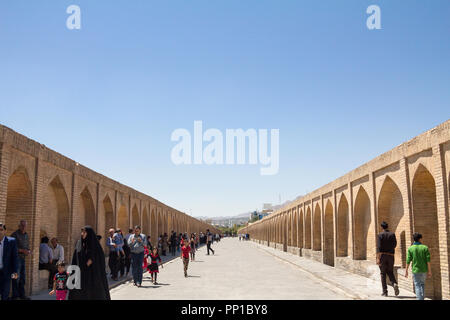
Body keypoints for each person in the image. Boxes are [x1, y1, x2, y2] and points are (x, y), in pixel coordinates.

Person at [68, 225, 110, 300]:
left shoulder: (95, 246)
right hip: (81, 274)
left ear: (89, 233)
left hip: (93, 275)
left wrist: (93, 260)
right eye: (82, 232)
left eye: (84, 232)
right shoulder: (79, 244)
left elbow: (100, 259)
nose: (82, 234)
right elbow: (75, 258)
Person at [405, 232, 432, 300]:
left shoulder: (411, 248)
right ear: (420, 239)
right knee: (422, 284)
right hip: (424, 270)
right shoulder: (425, 248)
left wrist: (406, 271)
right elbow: (428, 260)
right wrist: (429, 271)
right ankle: (421, 298)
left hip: (415, 270)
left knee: (417, 285)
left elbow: (408, 260)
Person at [376, 221, 399, 297]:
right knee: (390, 271)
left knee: (383, 274)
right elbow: (395, 244)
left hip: (382, 256)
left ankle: (385, 292)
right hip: (391, 256)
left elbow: (379, 247)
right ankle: (394, 283)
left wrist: (378, 258)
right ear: (387, 226)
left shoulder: (380, 235)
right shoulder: (392, 234)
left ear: (382, 227)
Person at [10, 220, 31, 300]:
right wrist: (21, 250)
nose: (23, 227)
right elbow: (11, 247)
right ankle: (15, 295)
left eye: (25, 226)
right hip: (15, 259)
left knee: (22, 278)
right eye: (22, 225)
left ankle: (22, 295)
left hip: (23, 259)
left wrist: (28, 251)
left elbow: (27, 246)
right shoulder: (14, 235)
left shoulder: (26, 235)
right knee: (15, 277)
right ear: (19, 226)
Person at [0, 223, 19, 300]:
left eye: (1, 230)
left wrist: (15, 273)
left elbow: (15, 257)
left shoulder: (11, 241)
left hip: (7, 272)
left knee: (5, 293)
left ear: (5, 231)